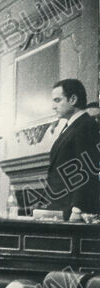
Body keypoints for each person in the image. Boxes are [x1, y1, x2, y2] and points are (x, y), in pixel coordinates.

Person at [42, 78, 100, 219]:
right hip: (59, 207)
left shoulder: (86, 125)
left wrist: (78, 209)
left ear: (73, 99)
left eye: (57, 100)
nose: (53, 106)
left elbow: (87, 169)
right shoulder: (71, 126)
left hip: (71, 210)